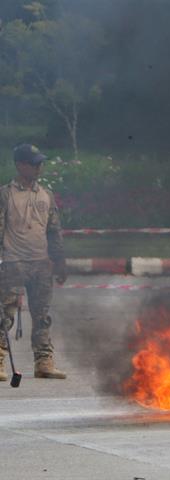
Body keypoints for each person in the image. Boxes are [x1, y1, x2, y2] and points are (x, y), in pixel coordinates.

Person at [0, 144, 67, 380]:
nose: (39, 167)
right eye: (34, 162)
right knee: (5, 314)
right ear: (20, 165)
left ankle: (44, 362)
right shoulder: (5, 194)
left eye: (40, 162)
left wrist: (59, 261)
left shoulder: (46, 194)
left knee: (42, 316)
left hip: (41, 264)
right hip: (13, 262)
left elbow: (54, 230)